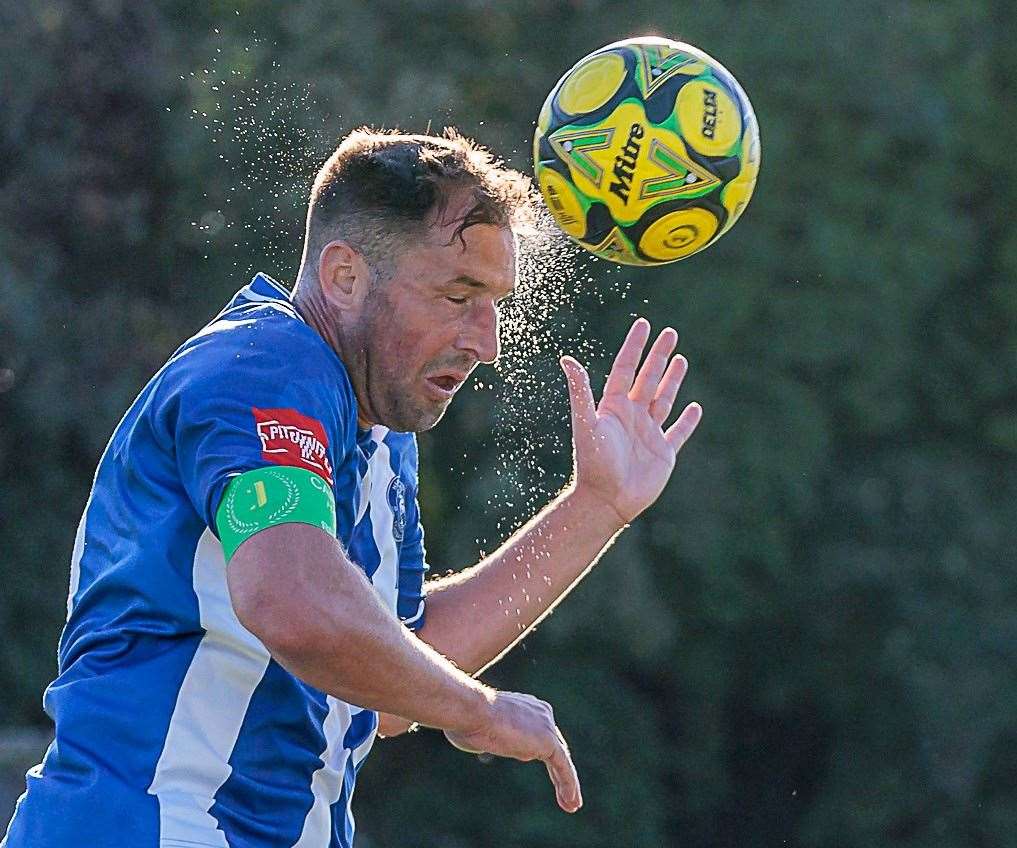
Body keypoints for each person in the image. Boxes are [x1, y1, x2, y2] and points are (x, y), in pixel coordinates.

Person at [2, 128, 702, 848]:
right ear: (343, 276)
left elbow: (394, 668)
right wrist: (477, 710)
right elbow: (294, 604)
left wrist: (594, 509)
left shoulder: (378, 435)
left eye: (493, 301)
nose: (486, 341)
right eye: (458, 294)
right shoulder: (268, 364)